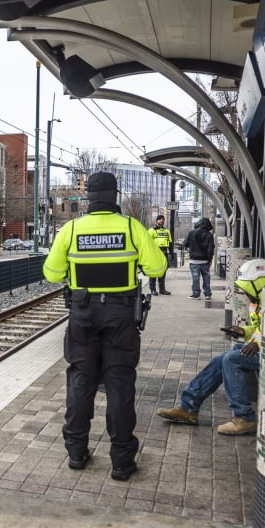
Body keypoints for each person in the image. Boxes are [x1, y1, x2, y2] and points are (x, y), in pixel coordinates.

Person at [43, 171, 168, 481]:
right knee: (120, 384)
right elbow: (157, 267)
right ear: (115, 196)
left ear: (89, 198)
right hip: (120, 316)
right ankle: (122, 462)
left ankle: (76, 452)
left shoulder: (71, 229)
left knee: (80, 382)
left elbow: (52, 273)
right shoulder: (131, 227)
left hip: (82, 316)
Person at [156, 258, 265, 435]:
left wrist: (257, 343)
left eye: (247, 288)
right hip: (262, 348)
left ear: (258, 285)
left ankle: (244, 418)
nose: (245, 293)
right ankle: (188, 408)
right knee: (221, 359)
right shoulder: (257, 302)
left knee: (231, 360)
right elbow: (260, 329)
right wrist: (243, 331)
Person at [184, 217, 215, 299]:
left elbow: (186, 244)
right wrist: (210, 259)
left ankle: (196, 294)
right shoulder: (209, 235)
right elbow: (210, 248)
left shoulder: (191, 233)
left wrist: (192, 248)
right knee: (206, 278)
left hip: (194, 260)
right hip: (205, 260)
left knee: (195, 278)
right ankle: (207, 294)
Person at [147, 214, 172, 295]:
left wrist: (171, 254)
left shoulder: (167, 231)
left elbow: (170, 243)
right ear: (156, 221)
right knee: (154, 271)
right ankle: (153, 289)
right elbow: (147, 243)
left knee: (163, 272)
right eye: (160, 219)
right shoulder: (151, 231)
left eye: (163, 219)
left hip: (164, 253)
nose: (162, 220)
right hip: (155, 253)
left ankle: (162, 289)